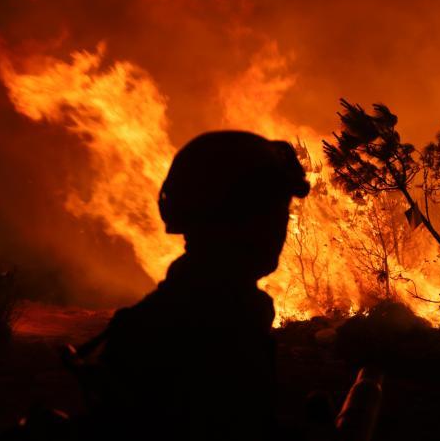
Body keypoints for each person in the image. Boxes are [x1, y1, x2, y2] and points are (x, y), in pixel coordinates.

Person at [85, 130, 310, 441]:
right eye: (277, 211)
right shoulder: (220, 324)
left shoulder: (168, 314)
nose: (282, 226)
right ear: (244, 219)